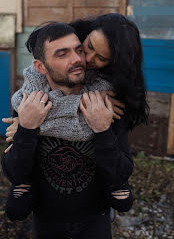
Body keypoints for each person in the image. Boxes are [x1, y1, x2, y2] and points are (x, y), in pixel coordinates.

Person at [2, 15, 148, 238]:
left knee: (122, 195)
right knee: (18, 198)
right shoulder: (30, 102)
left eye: (98, 57)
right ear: (41, 66)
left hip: (94, 219)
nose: (83, 59)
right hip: (46, 219)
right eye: (85, 48)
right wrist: (28, 129)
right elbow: (12, 170)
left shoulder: (108, 100)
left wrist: (100, 129)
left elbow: (122, 171)